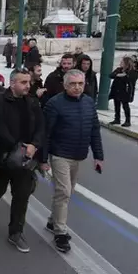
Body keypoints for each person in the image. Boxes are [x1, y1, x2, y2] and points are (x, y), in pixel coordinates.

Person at [0, 69, 44, 253]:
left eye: (28, 82)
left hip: (26, 160)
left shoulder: (32, 102)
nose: (27, 86)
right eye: (23, 82)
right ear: (13, 83)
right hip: (4, 158)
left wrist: (34, 146)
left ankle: (15, 232)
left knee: (22, 196)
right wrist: (17, 147)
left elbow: (41, 126)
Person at [41, 69, 104, 253]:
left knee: (67, 192)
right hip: (60, 154)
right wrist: (43, 159)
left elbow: (94, 130)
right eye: (73, 84)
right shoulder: (54, 104)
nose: (77, 87)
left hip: (79, 155)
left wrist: (98, 156)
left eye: (80, 84)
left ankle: (53, 222)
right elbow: (46, 133)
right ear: (65, 85)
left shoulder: (89, 103)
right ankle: (60, 233)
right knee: (64, 192)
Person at [108, 56, 135, 127]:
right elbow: (111, 75)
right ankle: (117, 118)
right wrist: (118, 75)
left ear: (126, 63)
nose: (120, 63)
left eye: (122, 62)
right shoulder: (118, 69)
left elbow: (131, 79)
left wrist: (125, 76)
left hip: (125, 91)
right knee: (116, 105)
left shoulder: (131, 71)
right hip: (116, 90)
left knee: (125, 106)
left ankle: (127, 120)